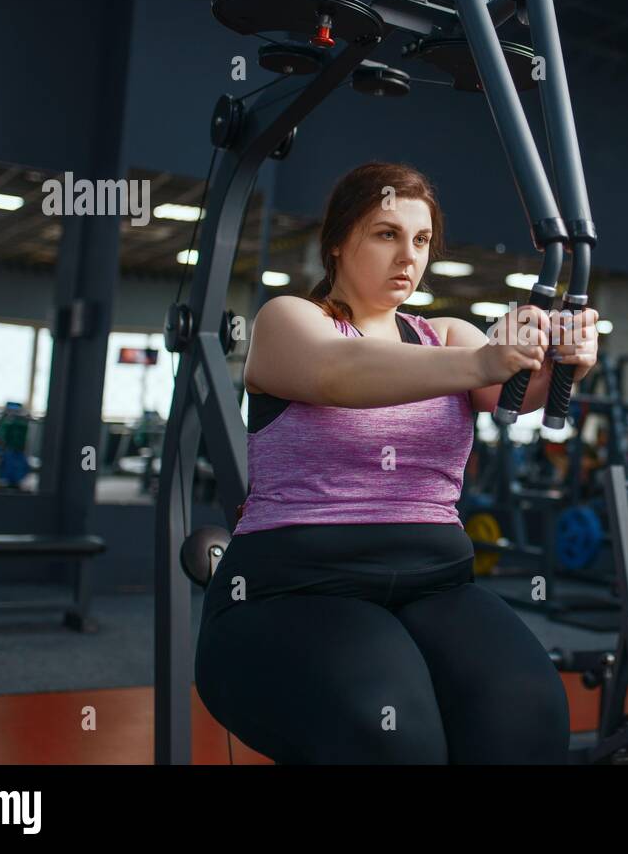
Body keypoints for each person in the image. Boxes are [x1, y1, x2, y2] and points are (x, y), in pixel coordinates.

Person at [195, 161, 599, 764]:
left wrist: (566, 362)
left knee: (525, 709)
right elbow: (340, 373)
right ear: (336, 242)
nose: (407, 256)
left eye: (421, 239)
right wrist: (488, 361)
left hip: (434, 579)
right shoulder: (290, 321)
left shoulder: (449, 337)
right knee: (391, 730)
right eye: (385, 234)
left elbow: (517, 392)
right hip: (296, 585)